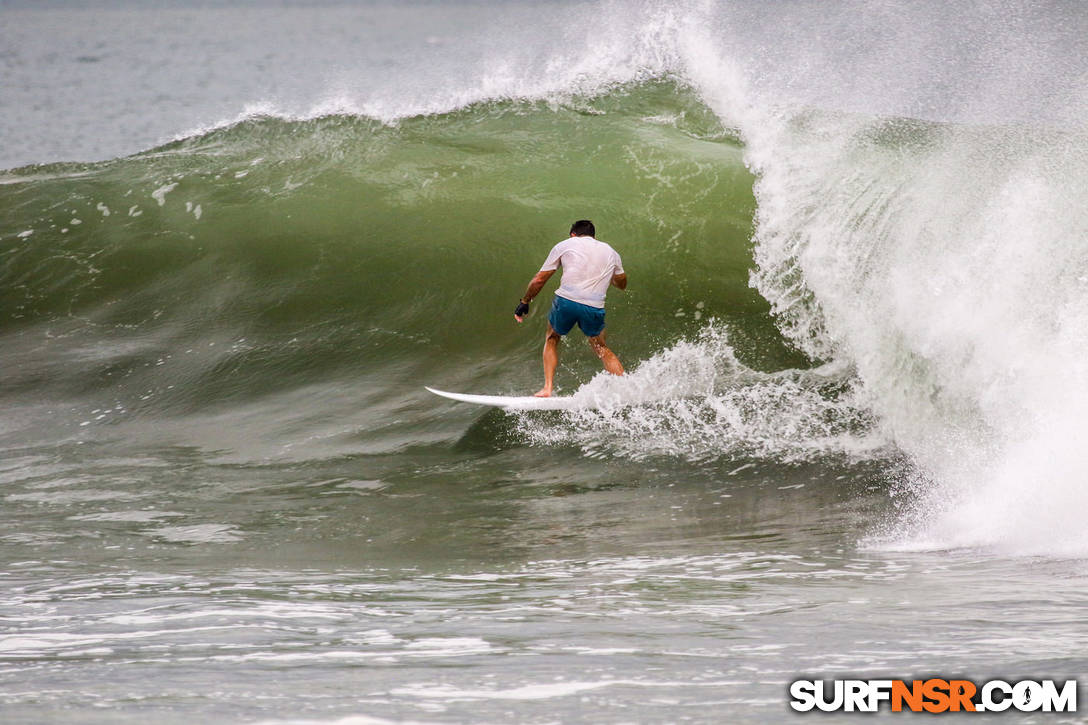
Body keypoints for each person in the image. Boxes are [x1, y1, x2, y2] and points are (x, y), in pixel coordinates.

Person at [514, 220, 627, 397]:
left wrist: (525, 301)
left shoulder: (565, 245)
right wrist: (612, 278)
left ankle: (547, 388)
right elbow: (622, 283)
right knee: (601, 347)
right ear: (593, 236)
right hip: (594, 305)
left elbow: (539, 279)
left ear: (573, 234)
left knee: (552, 338)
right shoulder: (611, 252)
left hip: (567, 301)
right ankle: (625, 389)